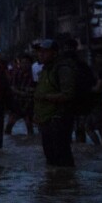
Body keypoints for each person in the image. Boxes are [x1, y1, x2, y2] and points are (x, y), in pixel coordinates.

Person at [32, 38, 77, 168]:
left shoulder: (62, 69)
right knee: (50, 157)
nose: (41, 54)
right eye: (39, 52)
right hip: (46, 119)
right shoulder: (46, 70)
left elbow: (68, 94)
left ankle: (64, 184)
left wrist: (45, 97)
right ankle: (56, 184)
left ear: (55, 53)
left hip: (58, 118)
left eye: (45, 52)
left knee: (61, 157)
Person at [5, 52, 36, 136]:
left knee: (29, 126)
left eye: (27, 62)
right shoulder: (17, 74)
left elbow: (35, 89)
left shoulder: (34, 74)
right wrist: (22, 93)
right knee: (9, 126)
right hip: (17, 104)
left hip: (29, 104)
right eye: (23, 63)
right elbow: (12, 87)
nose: (24, 65)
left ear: (30, 63)